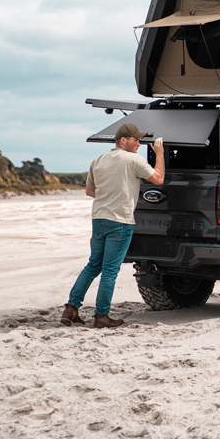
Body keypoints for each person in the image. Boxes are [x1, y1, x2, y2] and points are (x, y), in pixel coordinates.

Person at [60, 123, 164, 328]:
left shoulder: (98, 160)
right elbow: (158, 179)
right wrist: (159, 153)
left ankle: (71, 308)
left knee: (93, 265)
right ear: (123, 141)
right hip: (120, 221)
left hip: (99, 218)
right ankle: (101, 316)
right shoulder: (134, 160)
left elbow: (90, 191)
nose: (139, 144)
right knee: (109, 271)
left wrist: (110, 194)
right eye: (135, 140)